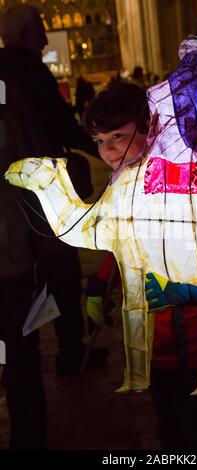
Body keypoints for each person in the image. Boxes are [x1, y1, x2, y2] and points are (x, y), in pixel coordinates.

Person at [83, 82, 197, 449]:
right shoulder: (125, 178)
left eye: (118, 136)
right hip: (156, 347)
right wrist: (101, 280)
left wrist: (188, 289)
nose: (108, 151)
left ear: (150, 126)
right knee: (171, 431)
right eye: (100, 140)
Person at [0, 3, 107, 374]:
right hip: (44, 186)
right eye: (40, 30)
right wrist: (101, 148)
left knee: (16, 275)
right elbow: (60, 124)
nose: (46, 38)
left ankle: (21, 352)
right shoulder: (32, 72)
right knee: (59, 266)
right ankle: (70, 347)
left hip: (11, 194)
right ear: (27, 35)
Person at [0, 107, 47, 449]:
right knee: (21, 359)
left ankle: (28, 438)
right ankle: (28, 439)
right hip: (12, 260)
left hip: (12, 259)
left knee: (20, 360)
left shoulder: (7, 118)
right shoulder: (7, 117)